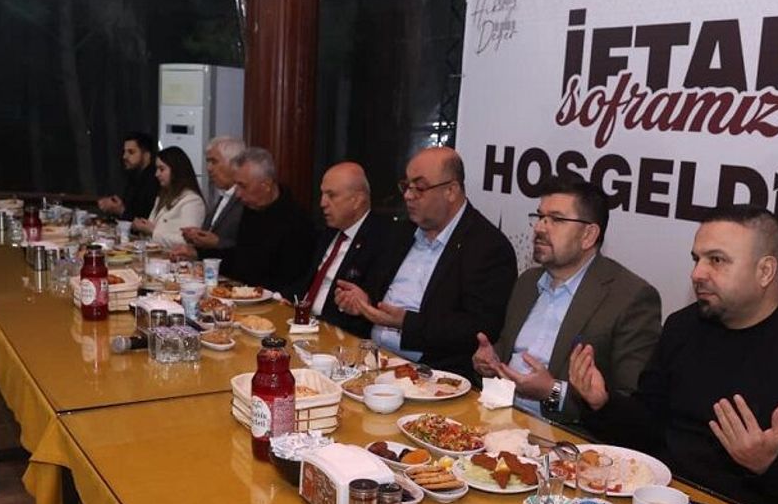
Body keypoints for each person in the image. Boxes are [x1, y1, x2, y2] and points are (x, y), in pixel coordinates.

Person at [570, 205, 778, 504]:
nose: (697, 273)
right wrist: (604, 403)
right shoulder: (683, 327)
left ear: (765, 271)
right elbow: (650, 426)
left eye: (716, 260)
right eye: (696, 259)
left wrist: (770, 465)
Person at [472, 175, 661, 423]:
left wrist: (551, 392)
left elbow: (630, 406)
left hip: (566, 435)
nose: (540, 228)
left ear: (588, 235)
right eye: (540, 217)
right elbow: (509, 352)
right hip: (499, 416)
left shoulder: (630, 298)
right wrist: (491, 362)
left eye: (557, 220)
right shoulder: (528, 281)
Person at [335, 146, 516, 381]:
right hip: (373, 359)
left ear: (451, 190)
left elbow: (478, 329)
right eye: (406, 186)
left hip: (434, 375)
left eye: (419, 188)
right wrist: (365, 302)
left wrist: (405, 323)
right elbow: (382, 296)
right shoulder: (402, 232)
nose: (408, 196)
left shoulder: (488, 247)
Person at [283, 162, 397, 338]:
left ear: (357, 200)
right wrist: (281, 297)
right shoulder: (329, 232)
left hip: (335, 333)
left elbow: (373, 302)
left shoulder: (382, 239)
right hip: (300, 321)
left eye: (331, 195)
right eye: (322, 194)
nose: (322, 203)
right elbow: (308, 280)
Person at [219, 147, 315, 290]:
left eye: (243, 186)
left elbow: (291, 280)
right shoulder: (250, 208)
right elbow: (241, 259)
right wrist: (200, 253)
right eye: (236, 185)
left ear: (266, 185)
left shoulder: (296, 222)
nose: (237, 194)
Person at [172, 136, 245, 260]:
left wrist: (217, 243)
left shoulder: (246, 199)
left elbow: (248, 248)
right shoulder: (223, 196)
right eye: (208, 162)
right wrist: (197, 237)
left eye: (214, 162)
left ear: (234, 164)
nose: (209, 168)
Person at [131, 146, 205, 247]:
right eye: (157, 169)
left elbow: (188, 242)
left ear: (176, 170)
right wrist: (142, 227)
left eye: (161, 169)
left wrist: (152, 231)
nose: (157, 174)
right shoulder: (162, 197)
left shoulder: (192, 201)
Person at [97, 132, 159, 221]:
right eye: (124, 152)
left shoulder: (154, 179)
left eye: (131, 152)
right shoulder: (133, 176)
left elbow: (144, 218)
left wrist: (120, 210)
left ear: (146, 155)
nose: (124, 156)